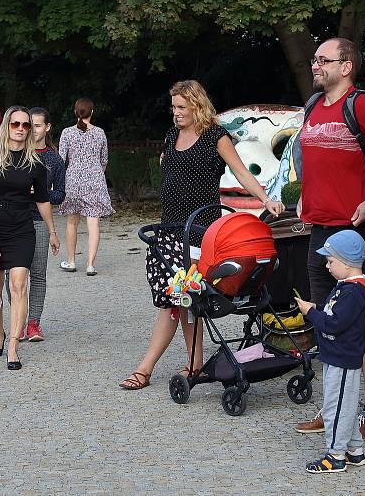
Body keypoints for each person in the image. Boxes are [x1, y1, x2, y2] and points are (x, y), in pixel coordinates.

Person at [119, 79, 285, 390]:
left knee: (184, 298)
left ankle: (151, 367)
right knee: (179, 298)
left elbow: (240, 171)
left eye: (181, 107)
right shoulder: (172, 135)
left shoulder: (215, 137)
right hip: (170, 230)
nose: (176, 113)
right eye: (173, 107)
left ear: (197, 105)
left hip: (200, 232)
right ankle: (189, 363)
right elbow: (167, 164)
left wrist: (264, 199)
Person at [294, 37, 365, 441]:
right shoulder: (314, 106)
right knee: (326, 322)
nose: (315, 66)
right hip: (320, 232)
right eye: (313, 60)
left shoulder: (363, 106)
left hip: (357, 233)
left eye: (322, 60)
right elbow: (310, 157)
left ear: (346, 65)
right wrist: (302, 194)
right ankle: (334, 407)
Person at [0, 105, 61, 371]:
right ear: (6, 126)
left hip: (22, 229)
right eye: (15, 124)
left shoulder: (36, 163)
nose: (21, 129)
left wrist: (53, 232)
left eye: (26, 125)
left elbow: (42, 200)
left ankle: (13, 346)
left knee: (19, 285)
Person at [295, 230, 365, 473]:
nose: (326, 265)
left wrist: (311, 313)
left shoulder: (353, 293)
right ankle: (355, 451)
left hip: (343, 360)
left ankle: (335, 455)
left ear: (346, 263)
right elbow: (336, 312)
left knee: (336, 408)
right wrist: (318, 307)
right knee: (345, 406)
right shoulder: (349, 287)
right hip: (338, 357)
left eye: (331, 261)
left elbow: (333, 323)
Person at [22, 107, 66, 342]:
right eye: (30, 125)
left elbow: (61, 194)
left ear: (47, 127)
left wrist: (43, 193)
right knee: (13, 274)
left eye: (37, 125)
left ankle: (33, 323)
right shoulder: (17, 153)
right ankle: (18, 321)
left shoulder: (53, 159)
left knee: (37, 274)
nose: (32, 130)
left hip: (39, 220)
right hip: (16, 219)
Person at [57, 97, 114, 275]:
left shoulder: (67, 133)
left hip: (73, 179)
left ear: (75, 112)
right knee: (93, 223)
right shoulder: (100, 133)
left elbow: (61, 159)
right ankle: (90, 265)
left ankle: (72, 261)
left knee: (72, 222)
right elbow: (104, 160)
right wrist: (96, 172)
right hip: (95, 179)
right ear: (92, 112)